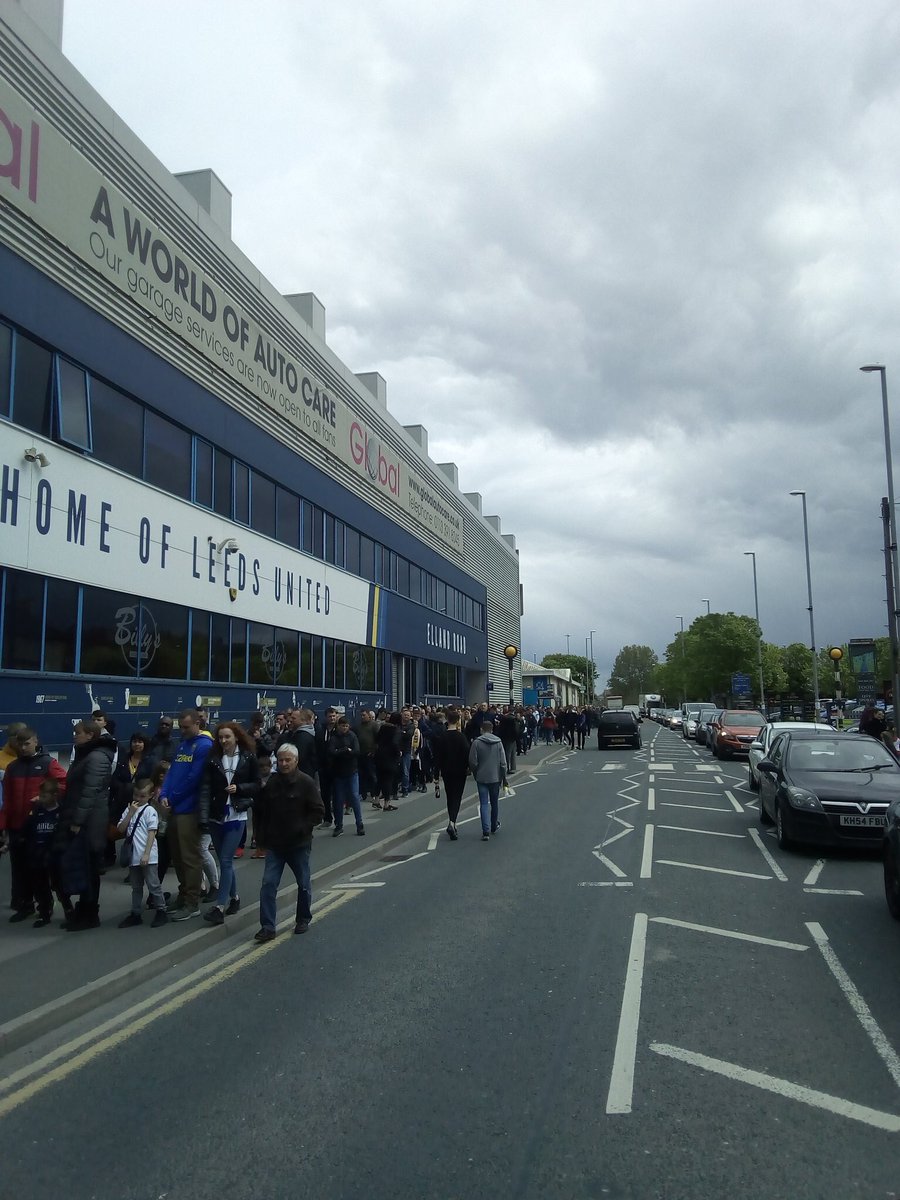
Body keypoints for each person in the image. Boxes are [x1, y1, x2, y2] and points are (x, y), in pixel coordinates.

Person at [252, 742, 325, 942]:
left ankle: (303, 918)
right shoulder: (272, 784)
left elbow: (318, 810)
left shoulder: (306, 782)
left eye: (288, 760)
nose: (284, 764)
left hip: (298, 844)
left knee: (303, 883)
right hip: (275, 844)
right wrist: (260, 836)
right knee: (268, 884)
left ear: (296, 761)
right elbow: (261, 811)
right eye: (281, 760)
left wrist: (303, 827)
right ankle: (267, 927)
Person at [0, 727, 67, 920]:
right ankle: (25, 905)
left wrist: (46, 799)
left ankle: (45, 907)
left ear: (36, 741)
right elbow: (7, 800)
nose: (23, 747)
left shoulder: (48, 763)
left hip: (39, 826)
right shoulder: (13, 768)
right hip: (16, 825)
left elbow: (63, 784)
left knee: (39, 869)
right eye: (20, 744)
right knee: (19, 868)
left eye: (27, 743)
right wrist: (3, 826)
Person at [199, 721, 260, 925]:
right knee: (225, 862)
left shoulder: (248, 757)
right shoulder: (214, 758)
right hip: (216, 815)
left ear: (236, 737)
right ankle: (235, 898)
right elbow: (206, 789)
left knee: (225, 860)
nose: (223, 740)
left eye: (227, 737)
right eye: (221, 737)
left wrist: (239, 788)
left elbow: (257, 784)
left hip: (236, 814)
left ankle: (219, 906)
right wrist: (204, 817)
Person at [58, 719, 116, 930]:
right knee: (83, 866)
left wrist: (77, 821)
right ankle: (84, 910)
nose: (75, 735)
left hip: (90, 821)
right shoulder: (87, 754)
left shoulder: (97, 757)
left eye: (78, 732)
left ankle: (90, 914)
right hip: (84, 818)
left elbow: (90, 792)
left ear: (90, 735)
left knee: (90, 867)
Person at [159, 709, 213, 922]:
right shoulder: (182, 744)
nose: (182, 731)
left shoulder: (204, 746)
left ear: (197, 723)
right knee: (177, 855)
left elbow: (193, 779)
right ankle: (183, 894)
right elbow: (172, 772)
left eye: (186, 727)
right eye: (180, 727)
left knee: (190, 857)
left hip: (189, 809)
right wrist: (163, 794)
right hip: (174, 807)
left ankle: (192, 901)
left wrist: (172, 798)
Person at [116, 778, 167, 927]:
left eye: (142, 796)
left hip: (147, 856)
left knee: (153, 885)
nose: (138, 799)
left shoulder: (150, 811)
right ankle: (135, 913)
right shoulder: (129, 809)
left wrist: (146, 853)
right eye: (136, 795)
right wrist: (130, 813)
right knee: (136, 887)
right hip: (133, 856)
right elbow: (120, 829)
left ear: (150, 795)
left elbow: (152, 833)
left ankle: (161, 910)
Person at [23, 777, 64, 927]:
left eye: (44, 796)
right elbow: (29, 829)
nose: (41, 798)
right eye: (40, 795)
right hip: (38, 853)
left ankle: (68, 909)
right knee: (40, 885)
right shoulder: (37, 811)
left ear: (54, 795)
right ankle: (44, 912)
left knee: (59, 884)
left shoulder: (61, 812)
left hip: (54, 854)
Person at [434, 708, 470, 840]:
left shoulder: (442, 737)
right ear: (458, 721)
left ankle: (452, 821)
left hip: (446, 772)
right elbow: (467, 754)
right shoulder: (461, 737)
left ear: (447, 720)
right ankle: (452, 823)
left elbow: (437, 757)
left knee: (450, 797)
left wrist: (436, 775)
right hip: (460, 771)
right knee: (457, 797)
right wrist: (469, 768)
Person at [469, 720, 508, 841]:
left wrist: (476, 773)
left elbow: (472, 762)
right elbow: (503, 763)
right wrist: (503, 776)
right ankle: (493, 826)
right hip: (495, 777)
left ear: (482, 729)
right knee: (494, 802)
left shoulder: (476, 743)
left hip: (481, 777)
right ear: (492, 729)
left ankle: (485, 831)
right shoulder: (498, 742)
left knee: (484, 804)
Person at [327, 716, 365, 837]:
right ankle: (339, 825)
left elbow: (357, 751)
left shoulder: (352, 736)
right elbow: (331, 752)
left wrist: (341, 752)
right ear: (338, 726)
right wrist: (346, 750)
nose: (344, 728)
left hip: (352, 771)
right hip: (338, 773)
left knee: (354, 797)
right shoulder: (333, 738)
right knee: (338, 800)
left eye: (346, 726)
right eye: (342, 726)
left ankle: (360, 824)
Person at [373, 713, 402, 811]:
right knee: (388, 781)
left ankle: (376, 800)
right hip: (390, 758)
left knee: (380, 779)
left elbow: (376, 739)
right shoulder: (396, 730)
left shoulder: (383, 727)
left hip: (379, 756)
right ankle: (387, 803)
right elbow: (395, 743)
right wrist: (398, 753)